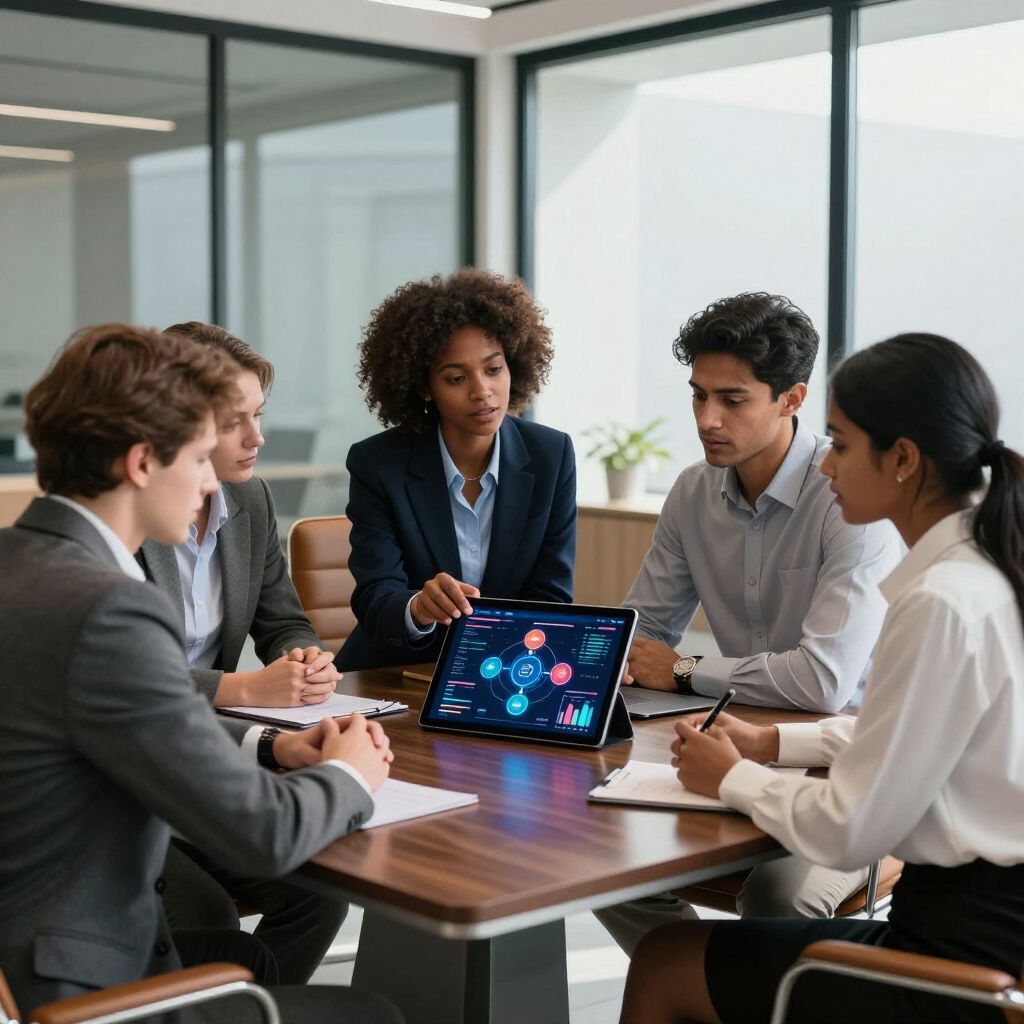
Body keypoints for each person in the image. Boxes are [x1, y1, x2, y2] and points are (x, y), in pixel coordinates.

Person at [0, 323, 401, 1024]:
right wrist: (349, 774)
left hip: (30, 940)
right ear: (141, 463)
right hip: (81, 989)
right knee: (373, 1013)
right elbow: (264, 836)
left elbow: (112, 717)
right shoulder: (110, 609)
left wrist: (270, 746)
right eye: (198, 456)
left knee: (251, 962)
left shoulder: (17, 561)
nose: (213, 478)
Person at [620, 333, 1024, 1024]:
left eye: (839, 444)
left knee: (665, 961)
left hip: (955, 966)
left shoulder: (939, 603)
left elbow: (852, 829)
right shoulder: (985, 573)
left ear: (902, 460)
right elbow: (916, 732)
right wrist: (777, 747)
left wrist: (732, 778)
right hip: (997, 937)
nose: (827, 465)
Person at [597, 293, 902, 952]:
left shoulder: (853, 498)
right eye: (698, 395)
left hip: (854, 768)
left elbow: (823, 683)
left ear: (792, 399)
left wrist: (681, 671)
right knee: (593, 850)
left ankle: (715, 984)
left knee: (777, 894)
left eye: (732, 400)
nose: (707, 418)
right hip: (734, 746)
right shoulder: (690, 492)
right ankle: (697, 980)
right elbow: (635, 631)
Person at [137, 321, 346, 984]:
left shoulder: (249, 499)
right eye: (236, 422)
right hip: (138, 780)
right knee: (208, 918)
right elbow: (135, 681)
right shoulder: (128, 519)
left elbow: (282, 619)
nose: (258, 439)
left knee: (322, 887)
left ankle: (256, 1011)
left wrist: (307, 658)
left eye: (260, 416)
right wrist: (250, 693)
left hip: (214, 753)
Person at [334, 267, 577, 672]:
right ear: (425, 387)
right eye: (456, 377)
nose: (482, 391)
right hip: (393, 676)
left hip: (507, 671)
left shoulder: (552, 455)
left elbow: (550, 596)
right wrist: (418, 608)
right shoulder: (378, 464)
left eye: (494, 369)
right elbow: (376, 595)